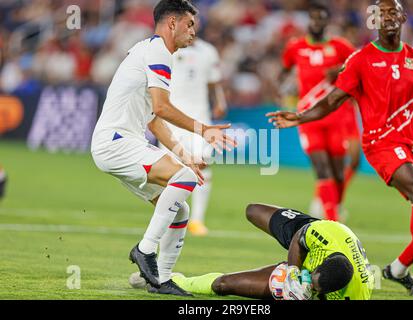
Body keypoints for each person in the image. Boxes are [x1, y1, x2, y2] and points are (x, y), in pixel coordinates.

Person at [267, 0, 413, 299]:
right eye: (382, 13)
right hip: (381, 144)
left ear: (404, 17)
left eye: (394, 12)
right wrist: (300, 116)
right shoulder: (362, 59)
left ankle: (398, 269)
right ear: (373, 21)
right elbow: (333, 99)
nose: (388, 17)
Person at [91, 0, 236, 296]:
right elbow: (163, 107)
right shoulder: (158, 51)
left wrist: (186, 157)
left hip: (118, 143)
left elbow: (154, 119)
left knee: (180, 209)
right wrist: (203, 129)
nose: (194, 31)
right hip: (116, 141)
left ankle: (160, 280)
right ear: (172, 23)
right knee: (183, 178)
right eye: (190, 24)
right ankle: (145, 250)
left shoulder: (150, 51)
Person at [129, 203, 374, 300]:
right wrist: (292, 272)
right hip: (308, 237)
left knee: (225, 285)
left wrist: (295, 292)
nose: (314, 284)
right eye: (315, 281)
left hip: (312, 282)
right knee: (252, 211)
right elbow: (299, 239)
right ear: (320, 265)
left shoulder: (355, 295)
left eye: (318, 287)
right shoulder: (325, 234)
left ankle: (174, 280)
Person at [278, 2, 359, 222]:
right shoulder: (295, 47)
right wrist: (287, 90)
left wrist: (341, 71)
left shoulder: (340, 46)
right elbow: (283, 73)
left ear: (327, 22)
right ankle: (332, 220)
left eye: (321, 18)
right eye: (313, 18)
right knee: (322, 168)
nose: (317, 22)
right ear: (308, 20)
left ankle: (334, 205)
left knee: (338, 172)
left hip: (336, 116)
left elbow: (360, 65)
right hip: (308, 116)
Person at [162, 35, 227, 236]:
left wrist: (219, 101)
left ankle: (197, 220)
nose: (190, 26)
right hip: (172, 118)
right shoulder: (166, 47)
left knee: (202, 164)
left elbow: (213, 82)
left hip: (200, 118)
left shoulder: (208, 51)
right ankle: (168, 216)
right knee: (169, 169)